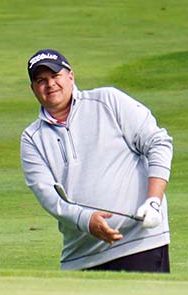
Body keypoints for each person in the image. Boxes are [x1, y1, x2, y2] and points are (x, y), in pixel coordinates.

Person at [20, 49, 173, 272]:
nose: (50, 84)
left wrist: (153, 201)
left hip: (140, 245)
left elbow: (158, 143)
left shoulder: (108, 101)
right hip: (81, 255)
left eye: (55, 76)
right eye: (41, 80)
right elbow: (49, 197)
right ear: (33, 89)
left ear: (70, 76)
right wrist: (86, 220)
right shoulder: (32, 138)